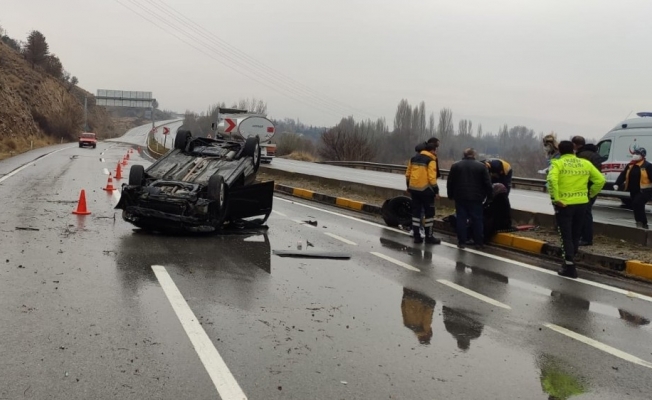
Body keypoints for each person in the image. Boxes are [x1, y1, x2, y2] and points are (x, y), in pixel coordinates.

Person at [547, 141, 606, 278]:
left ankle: (569, 266)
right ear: (573, 150)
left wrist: (556, 199)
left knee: (565, 236)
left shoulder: (557, 164)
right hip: (582, 203)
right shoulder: (585, 163)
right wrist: (590, 194)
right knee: (575, 234)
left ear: (560, 151)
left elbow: (551, 181)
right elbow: (600, 180)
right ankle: (569, 261)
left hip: (565, 205)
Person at [447, 148, 493, 249]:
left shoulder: (456, 166)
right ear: (474, 155)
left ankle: (462, 242)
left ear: (464, 155)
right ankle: (479, 243)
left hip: (460, 197)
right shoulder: (481, 167)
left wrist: (450, 194)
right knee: (477, 220)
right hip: (476, 198)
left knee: (461, 219)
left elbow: (450, 182)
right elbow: (487, 183)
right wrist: (489, 197)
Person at [405, 143, 441, 244]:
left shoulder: (413, 159)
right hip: (427, 191)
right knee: (429, 214)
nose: (436, 152)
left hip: (414, 190)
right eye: (435, 150)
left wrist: (408, 186)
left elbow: (408, 174)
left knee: (416, 213)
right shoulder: (431, 160)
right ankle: (429, 236)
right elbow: (432, 178)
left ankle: (417, 236)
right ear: (432, 151)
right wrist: (436, 191)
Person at [571, 136, 604, 245]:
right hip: (592, 186)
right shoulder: (595, 154)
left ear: (575, 145)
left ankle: (586, 238)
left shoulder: (582, 156)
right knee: (586, 212)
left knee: (584, 213)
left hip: (585, 187)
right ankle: (584, 237)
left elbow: (580, 173)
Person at [614, 148, 652, 229]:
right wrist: (617, 183)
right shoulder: (630, 165)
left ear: (642, 156)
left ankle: (642, 223)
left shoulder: (647, 166)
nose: (635, 155)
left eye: (637, 154)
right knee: (636, 206)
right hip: (633, 190)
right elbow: (623, 175)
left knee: (637, 203)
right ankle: (640, 223)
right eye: (634, 153)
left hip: (645, 191)